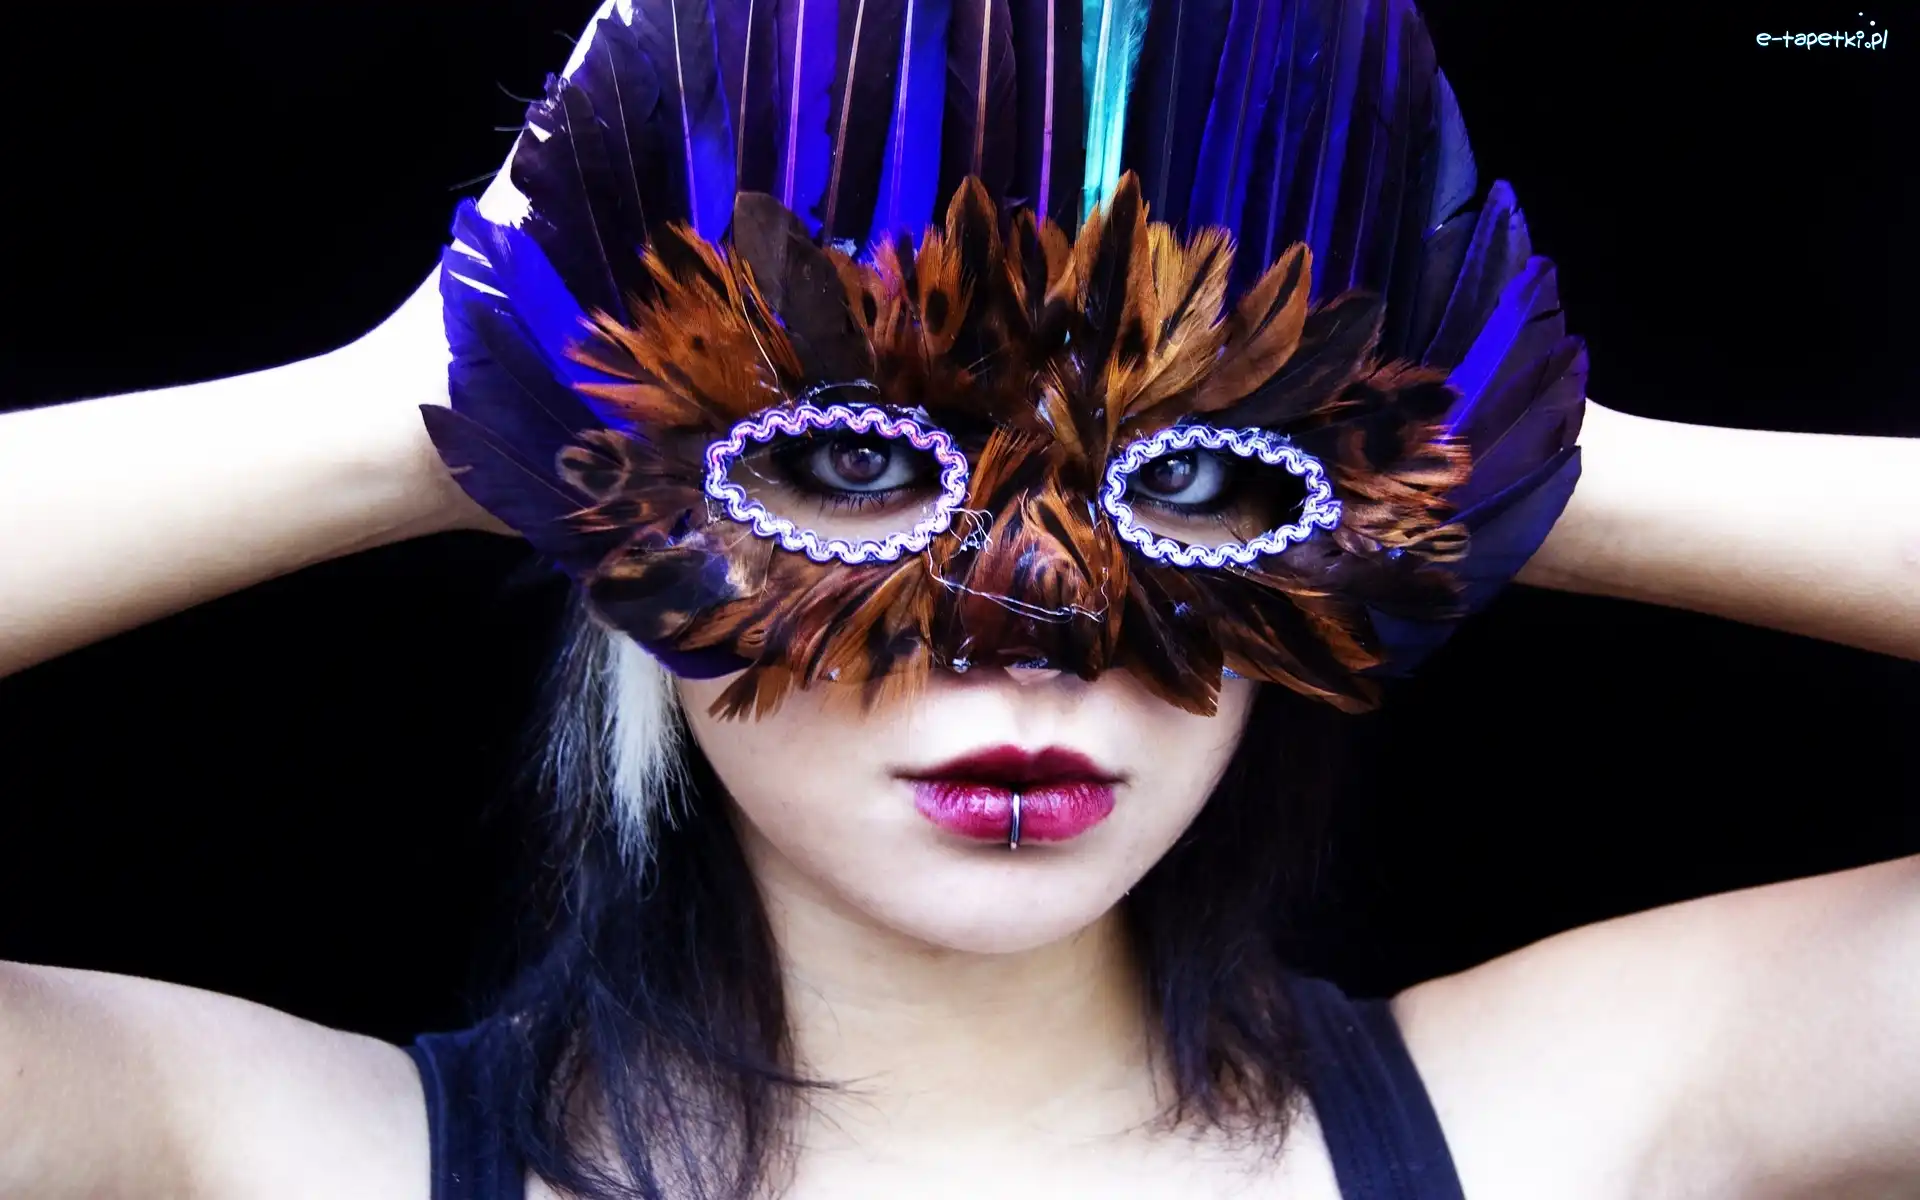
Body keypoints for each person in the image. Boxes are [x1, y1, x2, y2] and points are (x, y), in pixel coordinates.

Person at [2, 2, 1916, 1198]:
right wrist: (437, 404)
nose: (1033, 630)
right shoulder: (254, 1153)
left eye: (1201, 478)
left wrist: (1495, 443)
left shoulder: (1583, 1120)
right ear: (613, 516)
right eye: (848, 463)